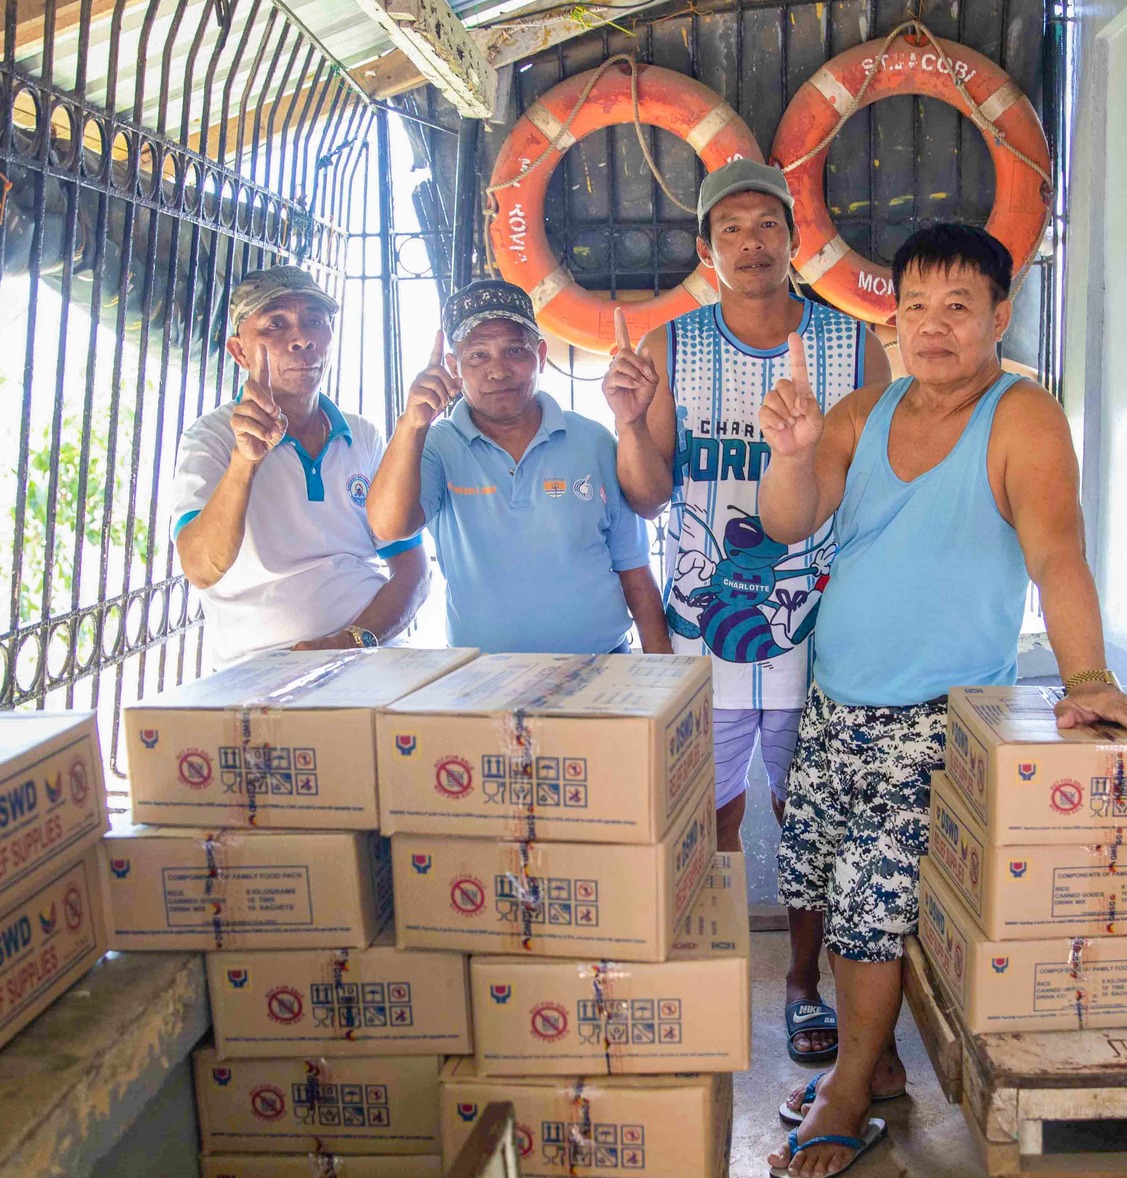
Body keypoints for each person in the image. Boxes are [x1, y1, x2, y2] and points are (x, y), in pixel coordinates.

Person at [753, 223, 1127, 1178]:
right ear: (892, 318)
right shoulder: (864, 410)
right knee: (822, 879)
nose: (933, 327)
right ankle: (880, 1059)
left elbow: (1057, 552)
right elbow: (790, 520)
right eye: (915, 307)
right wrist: (793, 451)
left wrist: (1090, 682)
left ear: (998, 315)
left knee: (870, 909)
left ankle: (849, 1092)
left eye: (957, 306)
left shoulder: (1022, 417)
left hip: (933, 722)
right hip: (835, 706)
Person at [603, 159, 890, 1069]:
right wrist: (626, 422)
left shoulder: (855, 346)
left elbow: (877, 492)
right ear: (707, 250)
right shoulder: (670, 348)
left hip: (820, 631)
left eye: (768, 224)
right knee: (711, 818)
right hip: (705, 636)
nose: (752, 242)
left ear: (795, 240)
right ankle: (718, 974)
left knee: (809, 819)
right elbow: (647, 498)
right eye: (731, 229)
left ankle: (805, 990)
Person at [366, 280, 669, 655]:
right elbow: (387, 526)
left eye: (514, 350)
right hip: (481, 680)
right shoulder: (436, 445)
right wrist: (411, 424)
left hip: (603, 668)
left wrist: (665, 678)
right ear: (452, 367)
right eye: (477, 355)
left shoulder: (593, 441)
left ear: (541, 355)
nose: (498, 371)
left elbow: (636, 573)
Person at [173, 264, 429, 668]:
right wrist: (246, 462)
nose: (301, 339)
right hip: (263, 669)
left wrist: (354, 639)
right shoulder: (211, 440)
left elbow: (412, 568)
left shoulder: (360, 434)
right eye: (275, 324)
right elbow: (201, 569)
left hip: (368, 654)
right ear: (239, 351)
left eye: (314, 321)